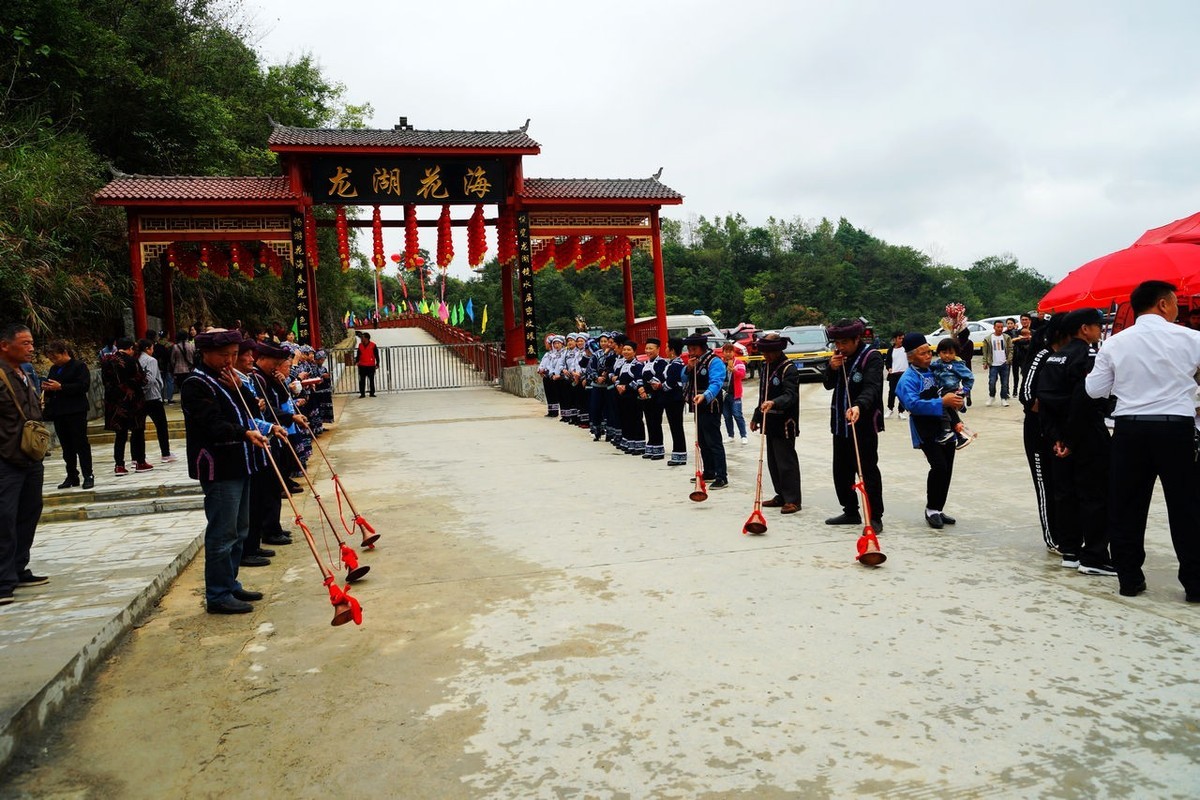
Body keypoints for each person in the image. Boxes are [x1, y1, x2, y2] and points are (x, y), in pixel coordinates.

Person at [1086, 280, 1200, 601]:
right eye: (1174, 302)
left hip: (1130, 431)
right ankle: (1195, 583)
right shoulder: (1191, 338)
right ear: (1163, 304)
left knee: (1127, 506)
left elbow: (1094, 390)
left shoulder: (1114, 343)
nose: (1176, 308)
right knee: (1187, 506)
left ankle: (1130, 579)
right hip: (1176, 429)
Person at [180, 329, 272, 614]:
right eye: (224, 355)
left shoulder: (229, 379)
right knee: (222, 532)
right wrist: (244, 433)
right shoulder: (196, 384)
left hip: (240, 462)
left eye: (233, 354)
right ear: (205, 353)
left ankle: (230, 583)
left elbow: (250, 411)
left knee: (240, 529)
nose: (229, 360)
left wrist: (239, 388)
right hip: (219, 466)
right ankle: (218, 594)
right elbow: (213, 423)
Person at [1035, 307, 1115, 577]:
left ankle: (1070, 551)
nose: (1100, 330)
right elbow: (1086, 401)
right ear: (1084, 329)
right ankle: (1094, 555)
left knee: (1065, 494)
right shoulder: (1089, 357)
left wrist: (1057, 438)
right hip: (1086, 436)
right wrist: (1070, 439)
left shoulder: (1053, 358)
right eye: (1098, 325)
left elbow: (1044, 401)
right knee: (1094, 496)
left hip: (1058, 440)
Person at [896, 332, 965, 529]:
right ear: (911, 357)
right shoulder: (907, 379)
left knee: (948, 468)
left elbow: (951, 389)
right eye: (923, 353)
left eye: (929, 352)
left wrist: (958, 406)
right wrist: (942, 402)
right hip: (925, 429)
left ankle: (939, 508)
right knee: (939, 467)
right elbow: (912, 404)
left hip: (947, 425)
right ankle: (931, 509)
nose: (928, 356)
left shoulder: (936, 370)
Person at [0, 324, 49, 604]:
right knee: (4, 517)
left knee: (29, 512)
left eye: (32, 343)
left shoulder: (25, 373)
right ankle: (3, 579)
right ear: (5, 345)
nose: (31, 348)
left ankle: (18, 568)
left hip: (30, 456)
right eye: (25, 343)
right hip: (6, 458)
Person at [822, 319, 885, 530]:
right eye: (837, 343)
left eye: (845, 343)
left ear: (857, 339)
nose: (840, 347)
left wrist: (859, 405)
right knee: (841, 470)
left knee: (867, 470)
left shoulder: (871, 357)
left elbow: (872, 388)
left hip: (863, 424)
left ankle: (875, 516)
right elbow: (828, 384)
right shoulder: (838, 357)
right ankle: (850, 511)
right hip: (840, 424)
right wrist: (831, 368)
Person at [1017, 314, 1068, 554]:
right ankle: (1053, 538)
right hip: (1038, 431)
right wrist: (1051, 408)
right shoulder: (1043, 356)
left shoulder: (1071, 356)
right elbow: (1026, 396)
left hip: (1060, 431)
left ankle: (1068, 534)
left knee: (1062, 484)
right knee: (1045, 484)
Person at [750, 333, 802, 513]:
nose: (766, 356)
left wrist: (774, 402)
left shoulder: (789, 369)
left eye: (769, 352)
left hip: (785, 422)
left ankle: (793, 500)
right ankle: (781, 495)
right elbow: (763, 395)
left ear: (778, 350)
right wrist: (756, 416)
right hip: (769, 421)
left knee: (786, 462)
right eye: (764, 353)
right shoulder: (766, 367)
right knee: (773, 462)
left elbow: (790, 395)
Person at [42, 341, 94, 489]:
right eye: (51, 359)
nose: (54, 361)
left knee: (81, 444)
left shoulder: (79, 366)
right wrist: (48, 388)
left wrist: (61, 387)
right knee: (66, 446)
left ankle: (88, 474)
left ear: (64, 352)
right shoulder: (54, 369)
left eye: (55, 357)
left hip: (75, 410)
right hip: (59, 411)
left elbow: (83, 386)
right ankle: (72, 475)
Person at [101, 337, 151, 476]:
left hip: (115, 403)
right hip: (133, 401)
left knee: (120, 435)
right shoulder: (132, 360)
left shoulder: (106, 361)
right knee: (137, 431)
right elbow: (141, 379)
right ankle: (140, 462)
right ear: (130, 348)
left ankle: (119, 465)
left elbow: (105, 381)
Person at [685, 334, 727, 488]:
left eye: (694, 349)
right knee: (702, 440)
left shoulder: (714, 361)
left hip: (710, 404)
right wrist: (688, 368)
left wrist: (705, 395)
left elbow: (717, 382)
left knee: (713, 440)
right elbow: (683, 378)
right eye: (689, 349)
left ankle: (722, 476)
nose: (691, 352)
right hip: (698, 404)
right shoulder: (694, 362)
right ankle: (709, 471)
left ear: (702, 348)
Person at [930, 338, 976, 448]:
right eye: (944, 352)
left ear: (955, 353)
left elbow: (969, 378)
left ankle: (947, 430)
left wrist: (964, 391)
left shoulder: (957, 365)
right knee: (951, 414)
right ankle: (962, 435)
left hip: (951, 390)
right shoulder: (936, 364)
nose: (947, 355)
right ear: (938, 352)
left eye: (951, 353)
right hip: (940, 390)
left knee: (942, 406)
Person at [138, 338, 176, 463]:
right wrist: (143, 390)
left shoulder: (136, 359)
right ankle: (165, 453)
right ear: (147, 348)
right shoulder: (151, 360)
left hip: (140, 399)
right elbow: (151, 379)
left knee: (138, 428)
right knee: (161, 426)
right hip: (152, 396)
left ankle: (137, 457)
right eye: (152, 348)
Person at [659, 338, 688, 466]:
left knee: (676, 426)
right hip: (671, 399)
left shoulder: (677, 365)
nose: (665, 349)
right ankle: (678, 452)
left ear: (672, 350)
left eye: (667, 347)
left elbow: (670, 383)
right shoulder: (672, 363)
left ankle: (680, 453)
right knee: (674, 426)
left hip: (675, 399)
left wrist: (660, 386)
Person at [615, 341, 646, 455]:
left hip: (633, 397)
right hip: (623, 396)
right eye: (624, 350)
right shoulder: (622, 364)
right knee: (625, 419)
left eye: (629, 350)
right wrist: (618, 386)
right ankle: (629, 442)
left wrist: (626, 387)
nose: (626, 352)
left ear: (634, 352)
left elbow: (638, 380)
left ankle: (639, 445)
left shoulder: (638, 365)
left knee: (636, 420)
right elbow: (617, 377)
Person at [639, 337, 667, 460]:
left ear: (658, 349)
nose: (648, 351)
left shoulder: (662, 363)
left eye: (651, 348)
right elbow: (640, 378)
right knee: (649, 421)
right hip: (646, 396)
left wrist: (646, 386)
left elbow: (659, 378)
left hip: (657, 396)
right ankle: (651, 444)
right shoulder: (645, 363)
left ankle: (658, 447)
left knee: (656, 421)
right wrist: (641, 388)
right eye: (647, 348)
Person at [720, 343, 748, 444]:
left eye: (730, 351)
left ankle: (743, 435)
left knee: (737, 414)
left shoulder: (738, 362)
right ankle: (730, 435)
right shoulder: (720, 363)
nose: (728, 353)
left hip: (735, 394)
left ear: (733, 352)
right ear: (723, 352)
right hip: (723, 394)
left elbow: (743, 375)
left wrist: (734, 370)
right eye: (726, 351)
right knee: (727, 416)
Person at [982, 321, 1012, 406]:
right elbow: (985, 351)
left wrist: (1009, 359)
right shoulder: (988, 338)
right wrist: (985, 362)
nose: (1000, 329)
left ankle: (1003, 398)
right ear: (994, 327)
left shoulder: (1006, 337)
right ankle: (992, 396)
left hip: (1004, 364)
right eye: (998, 327)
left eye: (1001, 327)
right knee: (992, 382)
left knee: (1004, 383)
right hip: (993, 364)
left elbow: (1010, 349)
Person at [883, 331, 908, 419]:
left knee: (903, 393)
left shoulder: (906, 348)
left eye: (903, 338)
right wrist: (889, 368)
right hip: (894, 374)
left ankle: (901, 411)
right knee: (892, 392)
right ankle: (890, 409)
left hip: (904, 374)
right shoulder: (891, 350)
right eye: (899, 338)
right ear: (895, 339)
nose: (901, 340)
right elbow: (888, 362)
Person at [170, 330, 195, 400]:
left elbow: (172, 360)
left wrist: (174, 367)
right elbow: (195, 357)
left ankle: (184, 399)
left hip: (179, 371)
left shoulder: (175, 347)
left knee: (182, 387)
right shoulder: (192, 346)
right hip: (190, 370)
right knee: (190, 386)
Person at [354, 331, 379, 398]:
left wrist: (377, 364)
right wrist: (357, 361)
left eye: (362, 337)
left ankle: (372, 393)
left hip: (371, 365)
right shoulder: (360, 345)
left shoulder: (373, 345)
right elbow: (358, 354)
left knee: (371, 380)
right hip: (362, 365)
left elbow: (376, 355)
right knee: (362, 380)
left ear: (367, 338)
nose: (361, 339)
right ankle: (362, 393)